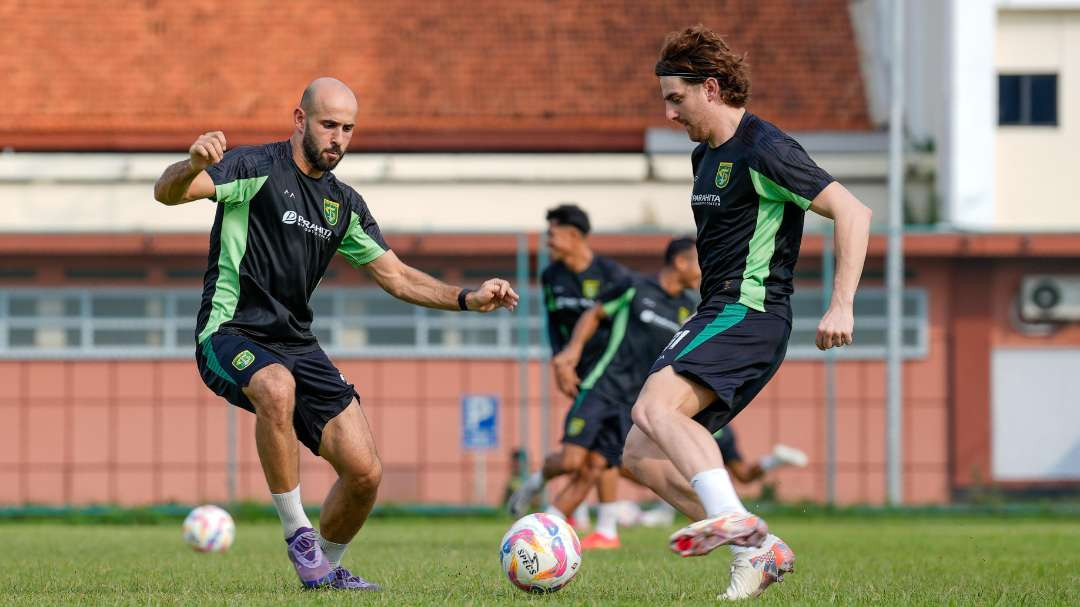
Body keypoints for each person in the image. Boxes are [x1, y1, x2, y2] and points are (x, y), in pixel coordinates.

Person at [153, 77, 518, 591]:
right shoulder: (253, 167)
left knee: (365, 471)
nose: (338, 138)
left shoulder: (344, 204)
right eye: (329, 125)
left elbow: (398, 276)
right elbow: (167, 194)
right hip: (229, 332)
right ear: (300, 120)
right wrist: (192, 163)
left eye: (348, 129)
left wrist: (467, 297)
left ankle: (323, 567)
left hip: (297, 344)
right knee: (275, 386)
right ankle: (298, 534)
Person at [619, 27, 872, 600]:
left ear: (711, 88)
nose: (668, 112)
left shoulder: (765, 147)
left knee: (653, 407)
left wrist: (841, 305)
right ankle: (757, 546)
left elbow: (854, 211)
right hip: (717, 311)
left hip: (750, 311)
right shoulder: (704, 155)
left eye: (676, 98)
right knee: (640, 452)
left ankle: (736, 523)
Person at [546, 237, 701, 550]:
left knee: (601, 463)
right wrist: (573, 352)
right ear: (681, 263)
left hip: (636, 402)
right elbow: (593, 315)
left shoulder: (689, 309)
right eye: (701, 259)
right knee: (573, 460)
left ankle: (584, 531)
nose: (705, 267)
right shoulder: (634, 287)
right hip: (603, 385)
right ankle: (538, 484)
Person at [506, 204, 631, 528]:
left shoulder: (612, 275)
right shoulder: (551, 276)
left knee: (602, 454)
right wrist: (559, 365)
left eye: (552, 234)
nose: (548, 241)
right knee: (574, 459)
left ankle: (606, 528)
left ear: (574, 235)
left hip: (614, 376)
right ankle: (538, 483)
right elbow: (553, 324)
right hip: (578, 376)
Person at [637, 426, 809, 528]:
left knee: (669, 466)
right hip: (722, 428)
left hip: (695, 429)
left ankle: (666, 513)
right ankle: (773, 461)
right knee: (743, 474)